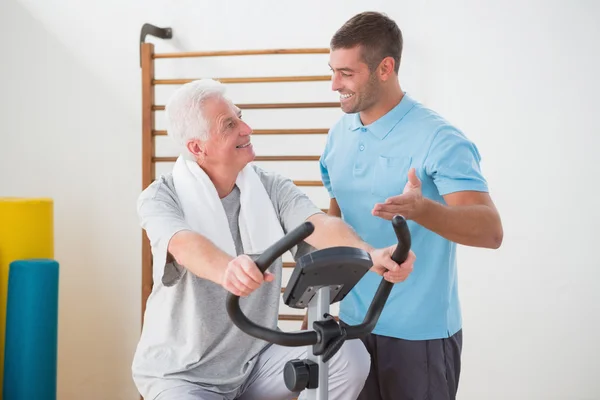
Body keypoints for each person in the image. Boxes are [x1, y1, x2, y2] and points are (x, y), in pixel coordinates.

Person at [131, 78, 417, 400]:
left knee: (346, 357)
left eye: (240, 116)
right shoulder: (161, 196)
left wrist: (370, 254)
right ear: (198, 147)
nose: (246, 128)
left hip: (256, 361)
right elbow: (182, 244)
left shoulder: (269, 187)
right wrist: (229, 269)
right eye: (230, 124)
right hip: (182, 375)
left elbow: (318, 224)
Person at [317, 11, 504, 400]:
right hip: (351, 328)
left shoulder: (439, 137)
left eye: (347, 73)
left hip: (420, 336)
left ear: (385, 68)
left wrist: (422, 209)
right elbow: (336, 220)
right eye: (333, 71)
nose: (335, 84)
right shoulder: (338, 135)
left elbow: (490, 230)